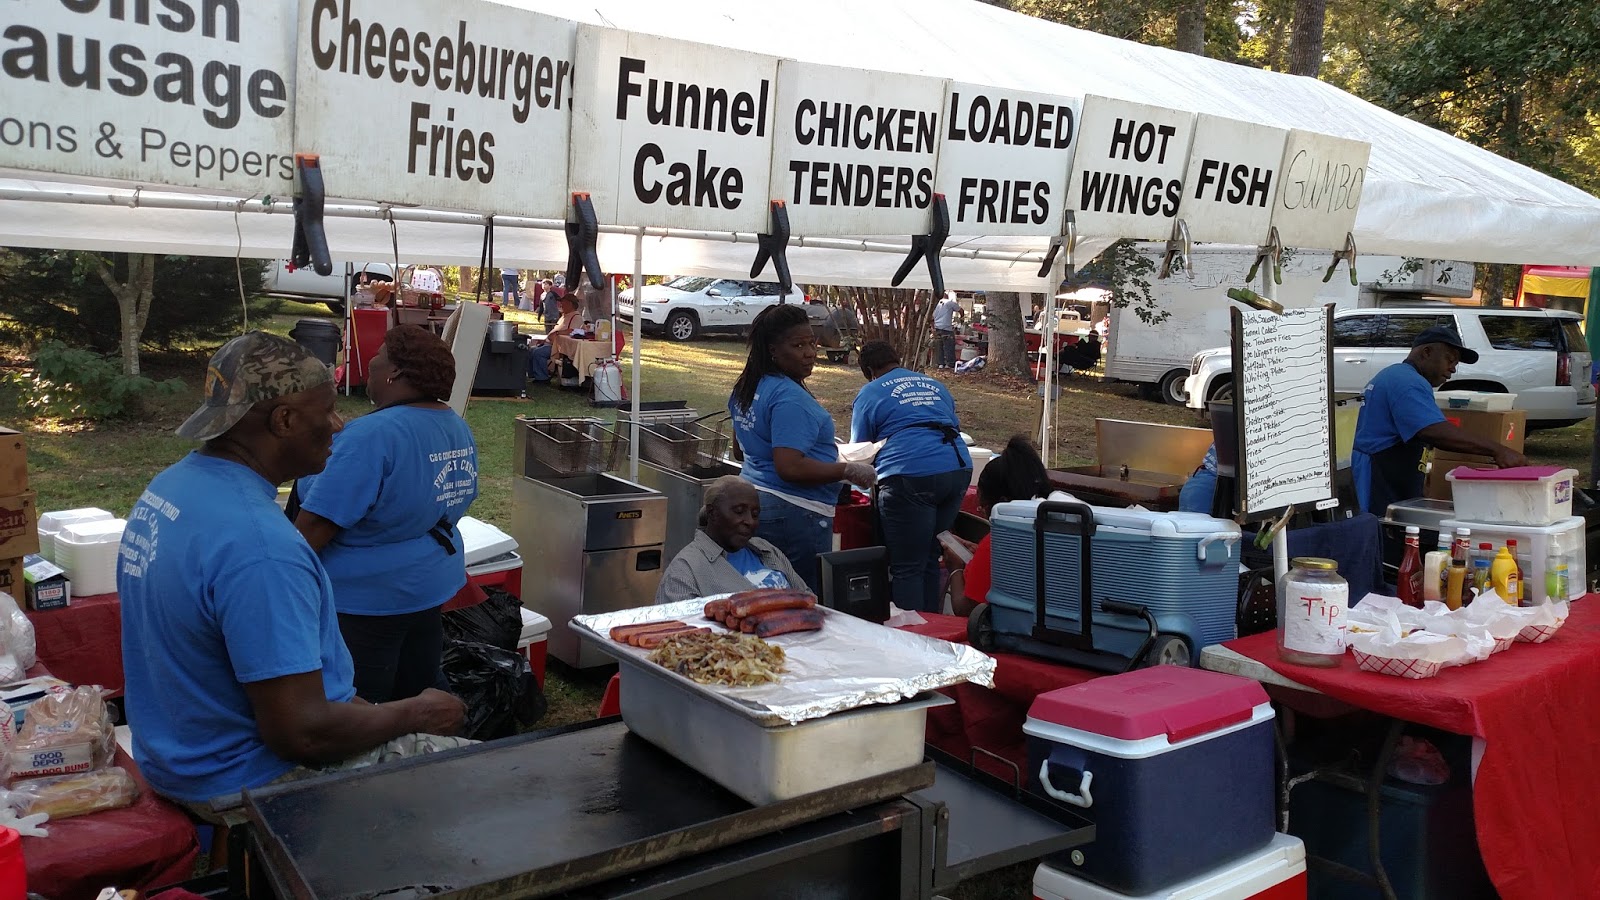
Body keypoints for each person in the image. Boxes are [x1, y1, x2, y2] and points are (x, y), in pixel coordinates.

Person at [118, 332, 467, 821]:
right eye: (325, 412)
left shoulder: (171, 487)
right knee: (483, 780)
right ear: (284, 420)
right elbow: (302, 735)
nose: (338, 423)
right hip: (245, 775)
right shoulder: (263, 549)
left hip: (174, 752)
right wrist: (419, 711)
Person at [293, 326, 479, 703]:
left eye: (377, 357)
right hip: (428, 586)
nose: (369, 364)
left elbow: (314, 527)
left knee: (362, 704)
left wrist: (280, 587)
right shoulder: (454, 424)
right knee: (416, 692)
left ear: (394, 372)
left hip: (366, 602)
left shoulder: (372, 436)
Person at [729, 303, 877, 593]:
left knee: (766, 595)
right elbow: (789, 467)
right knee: (796, 599)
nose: (810, 352)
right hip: (795, 513)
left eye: (812, 343)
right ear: (772, 349)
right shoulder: (788, 398)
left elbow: (740, 450)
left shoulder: (750, 385)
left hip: (760, 500)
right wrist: (847, 470)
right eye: (798, 345)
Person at [1352, 325, 1527, 515]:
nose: (1453, 368)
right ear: (1427, 352)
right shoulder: (1407, 381)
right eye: (1450, 360)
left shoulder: (1397, 375)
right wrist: (1498, 450)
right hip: (1376, 481)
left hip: (1386, 475)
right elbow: (1434, 431)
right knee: (1381, 537)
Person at [851, 340, 972, 612]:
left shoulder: (870, 392)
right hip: (957, 467)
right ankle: (934, 630)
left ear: (870, 370)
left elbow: (861, 449)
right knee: (929, 556)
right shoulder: (934, 384)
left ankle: (912, 639)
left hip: (908, 476)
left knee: (907, 566)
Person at [943, 435, 1052, 617]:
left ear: (1001, 502)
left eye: (983, 506)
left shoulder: (999, 542)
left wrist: (955, 567)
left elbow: (964, 608)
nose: (982, 511)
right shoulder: (1057, 528)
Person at [656, 477, 808, 604]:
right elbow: (686, 633)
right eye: (739, 512)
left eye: (755, 514)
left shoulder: (766, 550)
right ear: (712, 513)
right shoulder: (685, 571)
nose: (750, 521)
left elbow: (807, 598)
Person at [530, 294, 582, 383]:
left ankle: (542, 378)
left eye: (563, 303)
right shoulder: (564, 316)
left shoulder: (576, 317)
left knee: (538, 353)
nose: (561, 305)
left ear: (570, 304)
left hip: (560, 348)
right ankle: (534, 374)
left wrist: (557, 333)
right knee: (531, 349)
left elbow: (573, 331)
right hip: (552, 343)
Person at [933, 292, 961, 369]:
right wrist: (961, 319)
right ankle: (950, 364)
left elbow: (931, 318)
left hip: (937, 327)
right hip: (947, 328)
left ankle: (941, 364)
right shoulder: (950, 303)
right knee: (949, 346)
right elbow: (961, 310)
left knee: (940, 346)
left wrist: (933, 328)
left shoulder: (935, 304)